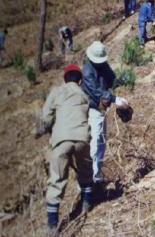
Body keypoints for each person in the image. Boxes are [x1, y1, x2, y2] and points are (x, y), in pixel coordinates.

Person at [40, 65, 93, 234]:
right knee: (85, 171)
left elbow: (46, 117)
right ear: (80, 80)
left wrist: (49, 129)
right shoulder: (83, 94)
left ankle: (52, 225)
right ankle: (86, 205)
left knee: (56, 180)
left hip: (61, 139)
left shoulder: (56, 92)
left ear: (65, 79)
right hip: (82, 138)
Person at [82, 41, 128, 186]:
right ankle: (90, 180)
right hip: (92, 110)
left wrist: (123, 80)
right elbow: (97, 92)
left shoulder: (103, 65)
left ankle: (96, 177)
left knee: (101, 143)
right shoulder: (87, 72)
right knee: (95, 144)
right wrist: (115, 98)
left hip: (101, 110)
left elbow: (111, 79)